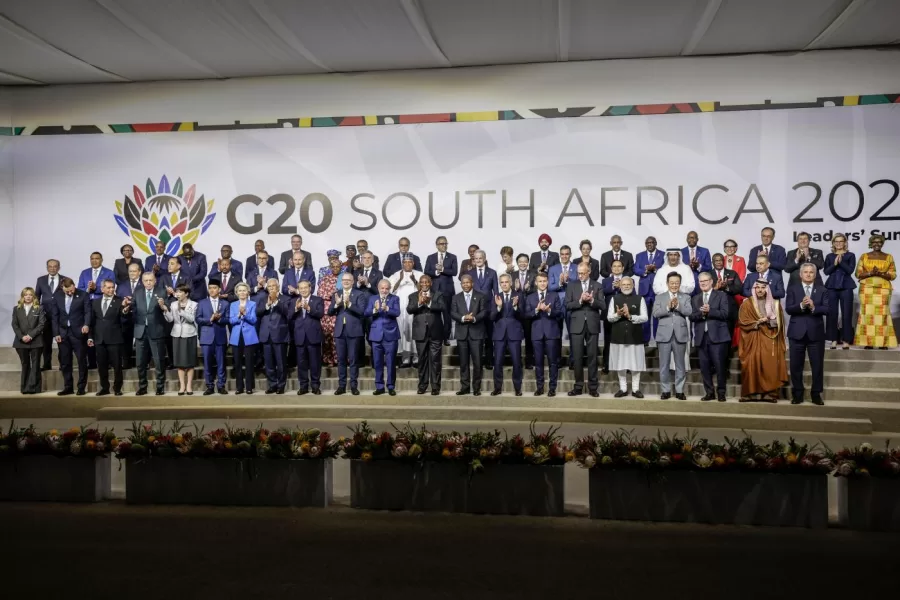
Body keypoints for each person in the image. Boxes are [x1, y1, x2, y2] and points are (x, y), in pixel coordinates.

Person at [786, 264, 829, 405]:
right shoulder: (793, 289)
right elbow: (788, 308)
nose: (808, 274)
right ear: (801, 274)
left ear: (815, 275)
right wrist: (801, 306)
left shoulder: (822, 290)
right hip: (796, 333)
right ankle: (797, 393)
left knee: (817, 366)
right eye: (806, 272)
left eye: (811, 272)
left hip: (815, 334)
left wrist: (814, 307)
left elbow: (827, 309)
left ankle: (816, 394)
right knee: (795, 366)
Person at [738, 280, 788, 402]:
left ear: (767, 289)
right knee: (751, 363)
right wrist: (756, 323)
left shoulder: (775, 304)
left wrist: (768, 321)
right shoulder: (747, 304)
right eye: (757, 287)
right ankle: (750, 393)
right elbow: (742, 321)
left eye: (763, 288)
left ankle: (770, 393)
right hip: (752, 337)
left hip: (769, 337)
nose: (760, 290)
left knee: (769, 364)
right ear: (754, 289)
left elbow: (780, 322)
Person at [565, 263, 605, 397]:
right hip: (577, 325)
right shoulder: (571, 285)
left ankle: (593, 387)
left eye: (583, 273)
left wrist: (592, 300)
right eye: (578, 273)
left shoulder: (597, 285)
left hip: (592, 325)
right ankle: (578, 386)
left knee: (592, 357)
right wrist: (581, 301)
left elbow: (603, 305)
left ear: (589, 272)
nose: (580, 275)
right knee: (577, 357)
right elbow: (568, 305)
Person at [690, 272, 731, 402]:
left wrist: (710, 311)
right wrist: (702, 314)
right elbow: (692, 317)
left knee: (720, 367)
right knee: (705, 368)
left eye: (705, 281)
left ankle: (721, 392)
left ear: (711, 281)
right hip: (702, 338)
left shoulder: (721, 295)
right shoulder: (695, 298)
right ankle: (709, 392)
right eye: (700, 281)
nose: (703, 283)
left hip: (718, 337)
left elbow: (725, 314)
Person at [87, 280, 130, 396]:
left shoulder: (120, 301)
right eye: (109, 288)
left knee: (117, 365)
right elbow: (91, 321)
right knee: (101, 366)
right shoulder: (95, 302)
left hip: (114, 339)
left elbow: (123, 314)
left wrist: (125, 309)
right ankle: (104, 388)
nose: (111, 290)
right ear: (102, 289)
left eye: (112, 288)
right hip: (99, 339)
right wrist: (90, 337)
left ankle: (117, 388)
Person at [854, 234, 897, 349]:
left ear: (882, 243)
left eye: (879, 242)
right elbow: (858, 274)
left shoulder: (889, 257)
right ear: (871, 243)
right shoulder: (864, 256)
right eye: (874, 242)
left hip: (883, 289)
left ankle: (883, 343)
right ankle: (868, 342)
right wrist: (871, 273)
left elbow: (893, 275)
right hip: (866, 289)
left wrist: (881, 274)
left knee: (882, 315)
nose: (877, 244)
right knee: (867, 315)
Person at [653, 273, 692, 400]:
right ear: (667, 283)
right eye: (672, 282)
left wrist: (679, 306)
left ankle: (680, 390)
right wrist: (668, 307)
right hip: (664, 335)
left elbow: (689, 312)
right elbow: (655, 313)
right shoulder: (660, 297)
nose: (674, 285)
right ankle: (665, 390)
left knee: (680, 364)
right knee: (664, 364)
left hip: (680, 334)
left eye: (677, 283)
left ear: (680, 284)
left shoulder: (685, 297)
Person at [606, 277, 647, 398]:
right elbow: (609, 318)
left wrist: (630, 316)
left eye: (629, 284)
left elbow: (645, 317)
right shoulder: (614, 298)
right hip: (618, 336)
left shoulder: (640, 299)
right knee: (620, 364)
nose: (626, 286)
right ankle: (623, 388)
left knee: (636, 364)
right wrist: (618, 314)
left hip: (635, 336)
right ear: (620, 285)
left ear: (633, 286)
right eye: (623, 284)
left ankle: (635, 389)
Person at [51, 278, 91, 396]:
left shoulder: (83, 294)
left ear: (74, 285)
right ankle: (68, 387)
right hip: (63, 334)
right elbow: (55, 316)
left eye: (72, 290)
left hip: (78, 333)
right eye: (67, 291)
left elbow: (88, 312)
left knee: (81, 361)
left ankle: (81, 387)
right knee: (65, 362)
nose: (70, 293)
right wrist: (56, 333)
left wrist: (86, 325)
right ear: (62, 288)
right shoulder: (57, 296)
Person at [524, 272, 563, 396]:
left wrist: (549, 310)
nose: (542, 283)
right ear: (536, 283)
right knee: (538, 362)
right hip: (536, 334)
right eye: (540, 281)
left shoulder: (554, 295)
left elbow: (560, 313)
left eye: (544, 281)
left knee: (553, 362)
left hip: (551, 333)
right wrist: (537, 310)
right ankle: (540, 387)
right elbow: (526, 314)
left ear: (547, 282)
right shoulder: (530, 297)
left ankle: (552, 388)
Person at [407, 275, 446, 395]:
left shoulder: (438, 295)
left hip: (435, 332)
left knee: (435, 361)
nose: (424, 284)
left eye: (426, 282)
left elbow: (442, 307)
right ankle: (422, 386)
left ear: (430, 283)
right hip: (420, 333)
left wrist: (429, 303)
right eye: (422, 282)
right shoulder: (413, 296)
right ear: (419, 283)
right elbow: (409, 309)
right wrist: (419, 302)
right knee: (422, 360)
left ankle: (435, 387)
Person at [451, 274, 488, 396]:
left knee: (477, 363)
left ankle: (476, 388)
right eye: (463, 283)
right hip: (462, 334)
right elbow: (453, 313)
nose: (465, 285)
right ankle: (465, 387)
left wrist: (474, 318)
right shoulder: (456, 297)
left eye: (468, 282)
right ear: (461, 284)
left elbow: (484, 312)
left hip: (476, 333)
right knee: (463, 363)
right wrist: (463, 317)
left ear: (472, 283)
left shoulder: (480, 296)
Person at [329, 272, 365, 395]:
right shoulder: (337, 294)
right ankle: (342, 386)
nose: (346, 282)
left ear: (353, 281)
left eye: (348, 280)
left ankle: (354, 386)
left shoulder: (359, 294)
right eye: (344, 280)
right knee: (341, 360)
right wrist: (336, 304)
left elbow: (361, 311)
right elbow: (329, 312)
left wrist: (349, 304)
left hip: (354, 331)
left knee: (354, 360)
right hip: (340, 331)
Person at [490, 274, 525, 396]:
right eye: (502, 282)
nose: (504, 284)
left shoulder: (518, 295)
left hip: (514, 333)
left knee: (516, 362)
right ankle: (497, 388)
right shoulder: (496, 296)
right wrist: (499, 307)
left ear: (510, 283)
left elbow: (523, 315)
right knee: (498, 362)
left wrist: (515, 307)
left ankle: (517, 388)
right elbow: (491, 317)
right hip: (499, 334)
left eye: (506, 282)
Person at [289, 280, 325, 395]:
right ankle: (303, 386)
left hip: (313, 336)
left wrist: (309, 308)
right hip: (299, 337)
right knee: (301, 363)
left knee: (315, 363)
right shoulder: (294, 300)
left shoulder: (318, 300)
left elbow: (320, 314)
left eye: (305, 287)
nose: (303, 290)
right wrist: (296, 308)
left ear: (310, 288)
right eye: (301, 288)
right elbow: (289, 316)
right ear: (298, 289)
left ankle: (315, 386)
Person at [163, 284, 198, 395]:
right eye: (176, 292)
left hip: (190, 334)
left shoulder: (194, 304)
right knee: (179, 363)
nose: (177, 294)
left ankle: (189, 386)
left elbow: (192, 319)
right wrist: (165, 311)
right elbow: (170, 320)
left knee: (190, 362)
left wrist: (182, 311)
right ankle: (182, 386)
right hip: (177, 333)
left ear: (186, 293)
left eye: (180, 292)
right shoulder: (173, 304)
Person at [389, 253, 423, 368]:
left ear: (413, 263)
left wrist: (414, 279)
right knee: (403, 332)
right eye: (405, 262)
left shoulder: (419, 274)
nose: (407, 264)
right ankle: (406, 359)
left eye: (410, 262)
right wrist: (401, 279)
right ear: (402, 263)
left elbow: (423, 289)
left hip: (415, 308)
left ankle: (417, 358)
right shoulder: (396, 275)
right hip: (400, 309)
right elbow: (390, 290)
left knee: (414, 331)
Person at [257, 278, 291, 394]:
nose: (271, 288)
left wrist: (276, 302)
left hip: (279, 335)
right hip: (266, 335)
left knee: (281, 363)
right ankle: (272, 384)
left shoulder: (285, 299)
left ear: (278, 287)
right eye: (269, 286)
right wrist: (267, 305)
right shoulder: (262, 299)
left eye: (273, 286)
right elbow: (258, 312)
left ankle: (281, 385)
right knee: (268, 363)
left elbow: (288, 312)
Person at [367, 280, 400, 396]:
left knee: (391, 362)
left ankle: (391, 386)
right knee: (377, 362)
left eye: (387, 288)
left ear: (389, 288)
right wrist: (375, 310)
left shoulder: (395, 298)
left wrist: (387, 309)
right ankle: (379, 386)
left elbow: (397, 313)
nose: (384, 290)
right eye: (382, 288)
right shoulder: (372, 298)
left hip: (391, 334)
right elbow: (366, 312)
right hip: (376, 335)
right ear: (378, 288)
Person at [196, 279, 229, 395]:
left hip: (220, 337)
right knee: (207, 363)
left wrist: (219, 318)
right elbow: (198, 319)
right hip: (206, 337)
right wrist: (210, 319)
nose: (212, 290)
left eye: (214, 288)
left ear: (219, 289)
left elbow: (228, 320)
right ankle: (209, 386)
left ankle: (221, 386)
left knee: (221, 363)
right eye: (210, 288)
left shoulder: (225, 303)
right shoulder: (202, 303)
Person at [824, 233, 856, 350]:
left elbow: (850, 270)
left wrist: (841, 262)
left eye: (841, 241)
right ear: (833, 243)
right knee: (832, 314)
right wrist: (835, 264)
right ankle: (833, 339)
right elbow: (826, 271)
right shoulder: (829, 256)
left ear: (845, 243)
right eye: (836, 241)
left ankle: (846, 340)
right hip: (832, 287)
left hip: (846, 287)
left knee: (847, 314)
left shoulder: (850, 255)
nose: (838, 243)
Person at [12, 287, 47, 394]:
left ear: (33, 296)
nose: (28, 297)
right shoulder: (17, 308)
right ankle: (24, 388)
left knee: (35, 365)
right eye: (26, 294)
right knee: (25, 364)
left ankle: (33, 388)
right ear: (23, 296)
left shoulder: (39, 308)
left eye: (30, 294)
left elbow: (41, 324)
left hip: (36, 341)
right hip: (20, 341)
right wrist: (22, 336)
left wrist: (30, 336)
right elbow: (14, 324)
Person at [424, 236, 458, 344]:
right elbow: (426, 271)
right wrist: (435, 272)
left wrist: (442, 269)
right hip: (434, 290)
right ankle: (435, 336)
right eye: (441, 244)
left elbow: (454, 272)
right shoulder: (430, 257)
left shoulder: (452, 257)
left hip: (447, 290)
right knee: (434, 314)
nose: (444, 245)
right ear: (437, 245)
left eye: (445, 243)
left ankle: (446, 338)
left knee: (447, 315)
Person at [548, 244, 578, 367]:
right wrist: (560, 283)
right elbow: (550, 287)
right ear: (560, 256)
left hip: (572, 303)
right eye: (562, 254)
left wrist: (568, 280)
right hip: (557, 305)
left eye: (567, 254)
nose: (564, 256)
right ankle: (557, 360)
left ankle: (573, 360)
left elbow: (579, 284)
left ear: (570, 255)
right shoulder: (553, 269)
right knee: (557, 333)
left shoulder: (576, 267)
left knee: (573, 333)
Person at [468, 250, 498, 370]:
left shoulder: (492, 273)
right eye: (476, 258)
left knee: (489, 337)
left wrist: (495, 309)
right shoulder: (470, 273)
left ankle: (489, 361)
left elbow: (495, 291)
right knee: (477, 338)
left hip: (489, 309)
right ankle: (478, 362)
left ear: (484, 259)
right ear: (473, 260)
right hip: (475, 310)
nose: (478, 260)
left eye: (480, 258)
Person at [317, 250, 347, 367]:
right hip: (326, 311)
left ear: (341, 267)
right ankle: (328, 359)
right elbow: (320, 293)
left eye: (337, 266)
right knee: (327, 336)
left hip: (339, 310)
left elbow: (345, 293)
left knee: (339, 336)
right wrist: (332, 295)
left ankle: (339, 359)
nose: (335, 268)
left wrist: (335, 296)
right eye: (333, 266)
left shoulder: (344, 278)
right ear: (330, 267)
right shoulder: (325, 278)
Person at [229, 283, 259, 395]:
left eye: (244, 290)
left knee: (249, 363)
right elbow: (231, 321)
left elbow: (254, 320)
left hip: (249, 336)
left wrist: (245, 314)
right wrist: (238, 315)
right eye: (240, 290)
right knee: (237, 363)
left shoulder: (253, 304)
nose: (242, 292)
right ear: (236, 293)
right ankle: (239, 387)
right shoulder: (233, 305)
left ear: (248, 292)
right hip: (236, 336)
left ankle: (249, 387)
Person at [601, 260, 630, 374]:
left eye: (619, 266)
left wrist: (622, 287)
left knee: (625, 341)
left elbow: (633, 294)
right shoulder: (605, 281)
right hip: (609, 314)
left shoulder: (628, 280)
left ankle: (626, 365)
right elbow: (602, 293)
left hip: (624, 314)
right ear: (611, 268)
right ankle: (607, 364)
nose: (617, 268)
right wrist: (614, 288)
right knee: (608, 341)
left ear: (623, 268)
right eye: (614, 266)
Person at [634, 236, 665, 343]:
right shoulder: (639, 255)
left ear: (655, 243)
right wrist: (646, 270)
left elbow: (665, 269)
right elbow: (636, 269)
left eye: (652, 242)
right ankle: (645, 340)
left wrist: (655, 269)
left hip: (657, 290)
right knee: (644, 316)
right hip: (644, 290)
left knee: (657, 315)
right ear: (645, 244)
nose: (649, 244)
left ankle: (658, 340)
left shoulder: (663, 254)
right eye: (647, 243)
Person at [709, 253, 743, 349]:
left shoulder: (732, 273)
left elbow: (739, 288)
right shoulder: (708, 274)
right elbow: (702, 290)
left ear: (723, 261)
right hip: (713, 310)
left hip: (729, 311)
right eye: (716, 260)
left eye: (720, 260)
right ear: (713, 262)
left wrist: (727, 287)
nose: (719, 262)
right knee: (714, 339)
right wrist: (715, 288)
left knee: (728, 338)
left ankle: (726, 360)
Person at [35, 258, 65, 371]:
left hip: (60, 316)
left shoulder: (64, 279)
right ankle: (47, 364)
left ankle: (63, 364)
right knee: (46, 342)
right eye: (50, 266)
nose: (52, 268)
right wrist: (38, 312)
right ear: (47, 267)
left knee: (61, 342)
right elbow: (37, 296)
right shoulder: (41, 280)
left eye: (55, 266)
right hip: (45, 315)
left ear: (59, 267)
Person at [513, 252, 536, 368]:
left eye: (525, 261)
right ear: (517, 263)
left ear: (528, 263)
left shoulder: (533, 274)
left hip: (528, 310)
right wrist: (516, 289)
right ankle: (516, 361)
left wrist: (528, 289)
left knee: (529, 336)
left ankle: (529, 361)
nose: (523, 263)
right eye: (520, 261)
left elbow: (538, 290)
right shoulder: (512, 275)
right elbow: (508, 290)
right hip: (516, 310)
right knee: (515, 337)